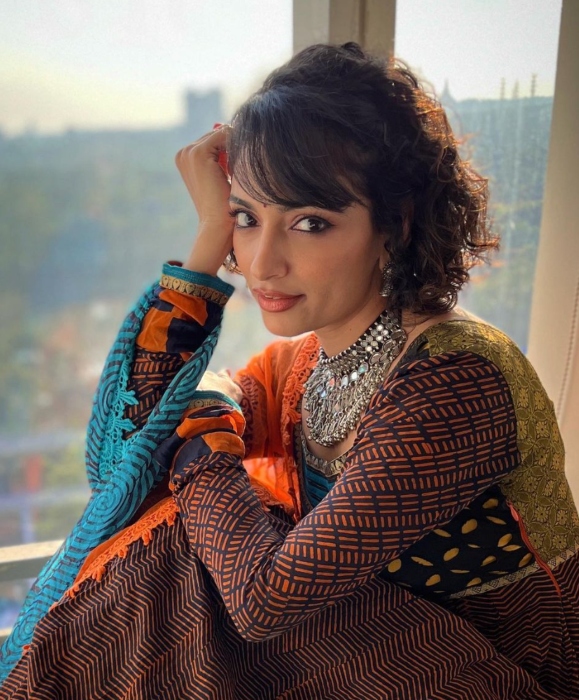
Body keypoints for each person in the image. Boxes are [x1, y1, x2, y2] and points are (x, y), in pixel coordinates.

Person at [1, 42, 577, 699]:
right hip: (364, 662)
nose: (261, 262)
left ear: (395, 224)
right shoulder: (309, 363)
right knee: (179, 543)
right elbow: (124, 453)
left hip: (488, 675)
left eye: (309, 222)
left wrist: (204, 442)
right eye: (246, 218)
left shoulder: (453, 383)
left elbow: (263, 599)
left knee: (190, 544)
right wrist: (207, 238)